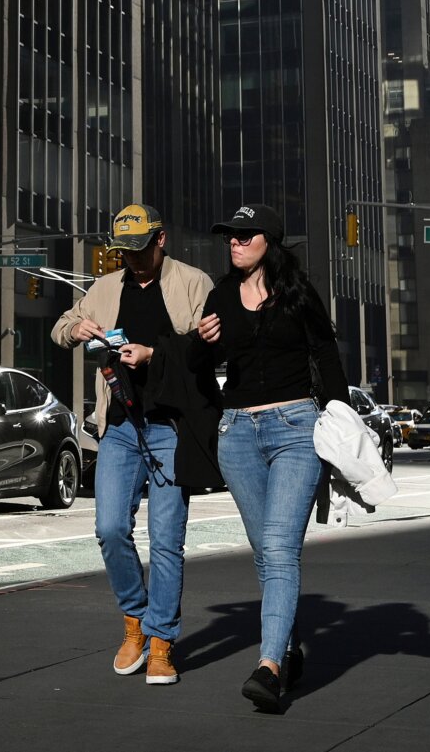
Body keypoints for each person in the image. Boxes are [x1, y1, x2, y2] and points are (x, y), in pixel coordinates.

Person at [132, 203, 344, 714]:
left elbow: (327, 355)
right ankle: (287, 650)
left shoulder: (297, 293)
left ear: (269, 240)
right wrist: (202, 345)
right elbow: (199, 364)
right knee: (267, 553)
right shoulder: (222, 295)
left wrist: (338, 418)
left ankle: (268, 667)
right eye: (231, 235)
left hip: (296, 427)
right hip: (239, 434)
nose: (236, 242)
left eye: (246, 235)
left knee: (278, 546)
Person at [50, 203, 214, 686]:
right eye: (124, 252)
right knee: (109, 528)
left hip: (170, 428)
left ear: (160, 240)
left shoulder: (193, 283)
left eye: (140, 250)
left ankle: (161, 642)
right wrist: (75, 329)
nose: (132, 260)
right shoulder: (103, 288)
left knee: (166, 543)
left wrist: (154, 354)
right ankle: (135, 620)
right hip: (119, 427)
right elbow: (61, 327)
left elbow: (207, 351)